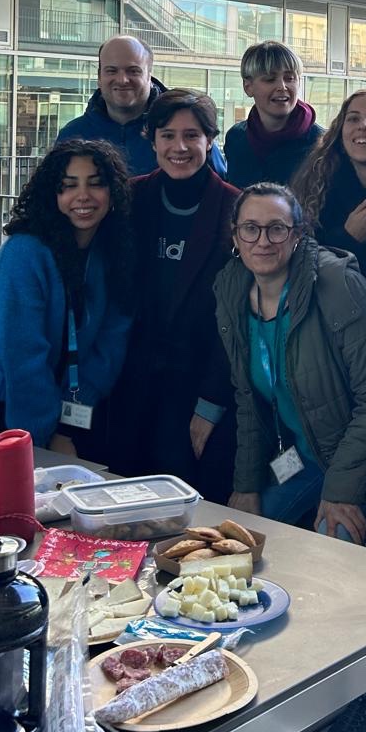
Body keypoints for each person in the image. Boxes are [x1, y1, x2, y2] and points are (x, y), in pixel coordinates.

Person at [215, 182, 366, 732]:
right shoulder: (232, 287)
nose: (263, 240)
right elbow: (247, 400)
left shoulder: (336, 285)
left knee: (337, 546)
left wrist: (340, 492)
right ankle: (271, 671)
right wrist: (245, 485)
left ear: (298, 235)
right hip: (304, 454)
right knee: (239, 538)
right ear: (234, 236)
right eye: (250, 228)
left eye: (277, 228)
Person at [0, 140, 133, 453]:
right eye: (69, 185)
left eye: (95, 183)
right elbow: (20, 355)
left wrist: (70, 421)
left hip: (66, 409)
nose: (83, 196)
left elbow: (110, 342)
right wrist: (41, 437)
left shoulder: (112, 251)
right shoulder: (25, 252)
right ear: (52, 194)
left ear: (113, 191)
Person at [105, 89, 239, 499]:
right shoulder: (129, 198)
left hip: (198, 389)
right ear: (152, 139)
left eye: (191, 135)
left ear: (210, 140)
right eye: (167, 135)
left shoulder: (235, 209)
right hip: (127, 384)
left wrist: (210, 403)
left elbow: (237, 320)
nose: (179, 147)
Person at [291, 87, 366, 313]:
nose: (363, 126)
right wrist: (348, 238)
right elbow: (299, 262)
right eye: (353, 118)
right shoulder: (315, 187)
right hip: (335, 318)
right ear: (341, 131)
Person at [57, 35, 225, 175]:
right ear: (99, 77)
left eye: (133, 71)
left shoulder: (187, 129)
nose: (122, 80)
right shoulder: (72, 136)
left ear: (149, 76)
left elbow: (220, 190)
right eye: (111, 71)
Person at [222, 41, 324, 190]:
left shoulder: (322, 143)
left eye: (289, 78)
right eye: (270, 79)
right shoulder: (236, 139)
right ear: (248, 87)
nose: (282, 87)